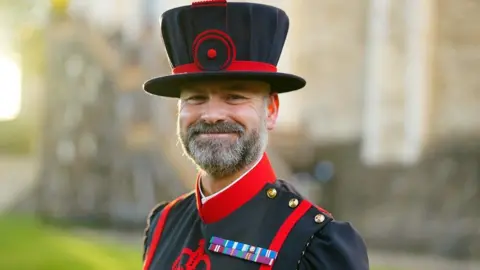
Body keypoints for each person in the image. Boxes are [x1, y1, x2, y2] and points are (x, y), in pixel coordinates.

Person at [142, 1, 369, 269]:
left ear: (271, 110)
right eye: (196, 98)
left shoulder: (315, 244)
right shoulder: (163, 226)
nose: (212, 115)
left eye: (234, 97)